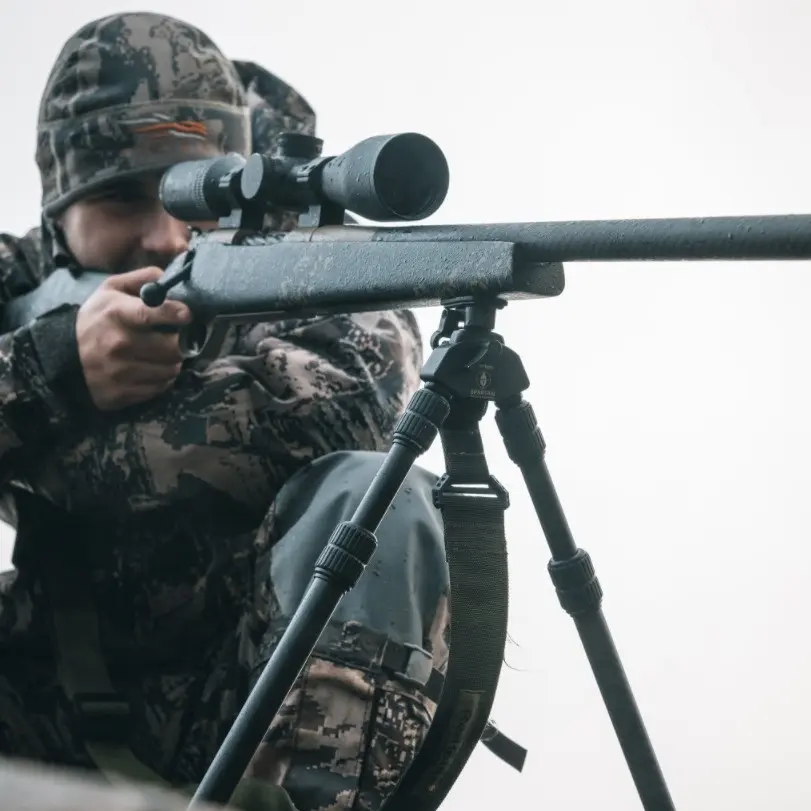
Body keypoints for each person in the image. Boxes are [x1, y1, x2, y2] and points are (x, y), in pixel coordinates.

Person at [0, 12, 451, 811]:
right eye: (121, 197)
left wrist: (30, 440)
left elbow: (329, 422)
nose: (165, 236)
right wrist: (56, 364)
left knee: (377, 498)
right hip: (38, 697)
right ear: (57, 209)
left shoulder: (324, 271)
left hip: (252, 705)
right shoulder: (23, 282)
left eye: (193, 191)